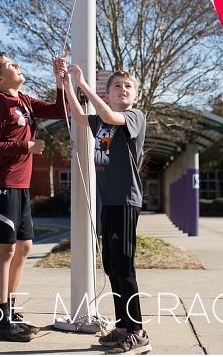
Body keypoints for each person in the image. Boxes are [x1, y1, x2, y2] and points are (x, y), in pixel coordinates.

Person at [0, 51, 67, 342]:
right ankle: (0, 319)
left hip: (20, 185)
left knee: (24, 247)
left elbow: (60, 111)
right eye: (9, 64)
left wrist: (60, 81)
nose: (17, 64)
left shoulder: (24, 100)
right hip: (0, 184)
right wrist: (27, 146)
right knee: (5, 249)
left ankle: (11, 310)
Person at [62, 64, 151, 356]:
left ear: (135, 98)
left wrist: (83, 83)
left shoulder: (133, 116)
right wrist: (65, 83)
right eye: (117, 86)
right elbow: (77, 116)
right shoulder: (100, 122)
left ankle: (138, 330)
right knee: (112, 265)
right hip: (108, 201)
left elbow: (110, 115)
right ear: (108, 93)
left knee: (123, 265)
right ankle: (123, 327)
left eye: (128, 87)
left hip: (126, 200)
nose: (122, 89)